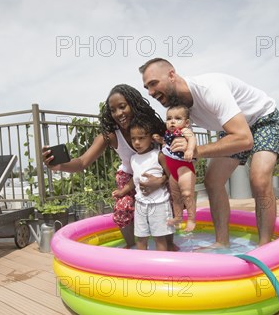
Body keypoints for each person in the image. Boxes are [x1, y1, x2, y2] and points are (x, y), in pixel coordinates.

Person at [139, 58, 279, 247]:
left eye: (153, 83)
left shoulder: (209, 89)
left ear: (172, 75)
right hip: (233, 128)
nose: (150, 92)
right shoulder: (180, 108)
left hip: (263, 119)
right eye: (146, 87)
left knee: (259, 179)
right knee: (213, 181)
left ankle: (265, 247)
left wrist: (196, 151)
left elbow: (244, 140)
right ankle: (222, 242)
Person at [42, 84, 170, 249]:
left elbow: (173, 159)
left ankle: (169, 244)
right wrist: (59, 166)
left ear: (134, 104)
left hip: (158, 176)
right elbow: (82, 162)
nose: (118, 114)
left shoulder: (151, 127)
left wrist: (161, 181)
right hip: (130, 178)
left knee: (170, 199)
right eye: (113, 110)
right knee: (122, 206)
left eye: (122, 107)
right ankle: (132, 247)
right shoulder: (111, 135)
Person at [127, 117, 175, 250]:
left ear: (151, 138)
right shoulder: (133, 158)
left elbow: (170, 174)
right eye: (133, 138)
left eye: (141, 138)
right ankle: (141, 267)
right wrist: (124, 189)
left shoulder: (158, 155)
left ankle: (163, 268)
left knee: (160, 237)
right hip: (141, 205)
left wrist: (159, 182)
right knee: (141, 237)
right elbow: (134, 178)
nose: (137, 142)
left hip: (159, 203)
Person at [160, 104, 197, 232]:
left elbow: (192, 139)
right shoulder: (168, 134)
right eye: (169, 118)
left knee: (187, 194)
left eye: (177, 118)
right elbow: (167, 146)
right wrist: (160, 140)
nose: (172, 121)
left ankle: (192, 219)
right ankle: (178, 217)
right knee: (176, 196)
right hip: (173, 172)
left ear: (186, 123)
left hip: (184, 169)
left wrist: (190, 149)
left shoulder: (185, 131)